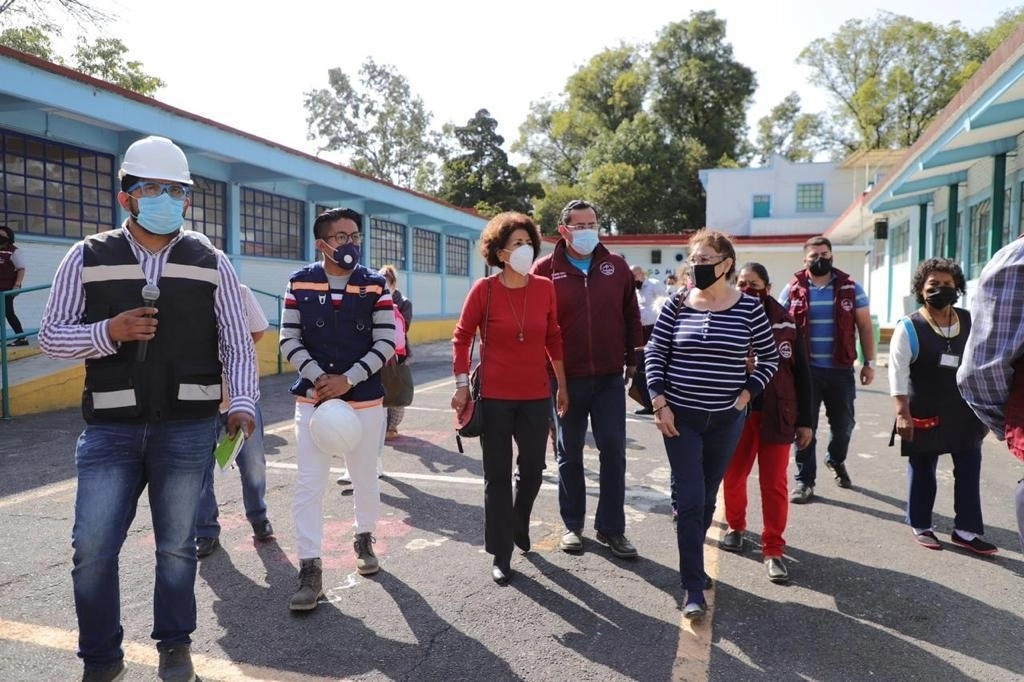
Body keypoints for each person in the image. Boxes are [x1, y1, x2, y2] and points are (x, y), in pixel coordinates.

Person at [37, 135, 259, 682]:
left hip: (187, 427)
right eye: (153, 188)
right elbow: (50, 335)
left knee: (178, 548)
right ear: (127, 197)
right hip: (110, 428)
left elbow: (237, 342)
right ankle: (101, 659)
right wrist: (107, 331)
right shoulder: (87, 256)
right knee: (92, 548)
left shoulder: (210, 261)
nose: (167, 199)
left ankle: (175, 646)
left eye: (176, 190)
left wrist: (242, 403)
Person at [645, 229, 779, 619]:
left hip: (725, 421)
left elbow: (769, 358)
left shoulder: (749, 308)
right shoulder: (677, 304)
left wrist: (746, 395)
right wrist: (659, 402)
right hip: (680, 419)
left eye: (705, 260)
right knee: (689, 500)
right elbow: (655, 354)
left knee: (705, 498)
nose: (697, 266)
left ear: (726, 264)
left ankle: (693, 564)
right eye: (694, 260)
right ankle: (692, 586)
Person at [279, 207, 395, 611]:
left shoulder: (375, 284)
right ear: (321, 244)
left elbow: (386, 341)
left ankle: (364, 538)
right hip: (314, 401)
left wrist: (349, 379)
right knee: (309, 484)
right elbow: (288, 338)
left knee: (364, 476)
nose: (351, 243)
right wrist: (319, 379)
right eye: (341, 237)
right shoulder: (299, 281)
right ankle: (310, 569)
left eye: (355, 236)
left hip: (364, 400)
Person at [452, 212, 568, 585]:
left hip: (535, 395)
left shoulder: (545, 288)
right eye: (517, 243)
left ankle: (519, 519)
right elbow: (462, 336)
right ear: (500, 253)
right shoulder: (484, 290)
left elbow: (553, 336)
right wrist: (461, 384)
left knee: (533, 471)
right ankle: (501, 553)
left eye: (528, 242)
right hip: (495, 398)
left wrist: (562, 385)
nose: (526, 249)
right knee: (497, 476)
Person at [532, 199, 643, 560]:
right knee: (569, 451)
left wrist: (633, 359)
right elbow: (535, 324)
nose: (587, 231)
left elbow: (631, 315)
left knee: (613, 450)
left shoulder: (617, 266)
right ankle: (572, 525)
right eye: (580, 225)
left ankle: (611, 528)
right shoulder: (544, 270)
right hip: (564, 379)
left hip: (609, 377)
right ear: (563, 230)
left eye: (592, 224)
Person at [889, 259, 995, 554]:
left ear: (957, 287)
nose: (941, 289)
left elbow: (983, 362)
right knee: (923, 469)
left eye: (947, 284)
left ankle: (966, 531)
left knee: (969, 468)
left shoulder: (970, 321)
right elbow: (897, 372)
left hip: (966, 412)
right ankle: (921, 525)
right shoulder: (909, 326)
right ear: (921, 290)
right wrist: (902, 413)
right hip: (924, 410)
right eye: (933, 285)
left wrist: (988, 409)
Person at [720, 263, 813, 583]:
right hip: (737, 414)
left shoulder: (787, 323)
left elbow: (803, 376)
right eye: (741, 283)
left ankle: (773, 549)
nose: (747, 289)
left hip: (777, 415)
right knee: (733, 476)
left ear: (768, 288)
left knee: (774, 484)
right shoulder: (725, 314)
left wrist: (806, 422)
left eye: (754, 284)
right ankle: (735, 526)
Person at [779, 236, 875, 503]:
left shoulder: (851, 288)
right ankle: (804, 481)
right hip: (805, 372)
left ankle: (835, 459)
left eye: (825, 254)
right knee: (804, 426)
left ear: (832, 256)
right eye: (814, 256)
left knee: (844, 425)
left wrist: (869, 363)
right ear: (805, 260)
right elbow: (779, 325)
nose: (820, 259)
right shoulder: (792, 289)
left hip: (839, 370)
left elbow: (865, 327)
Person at [195, 283, 274, 558]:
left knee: (253, 464)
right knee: (199, 470)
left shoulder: (240, 292)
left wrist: (231, 350)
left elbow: (258, 329)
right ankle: (205, 531)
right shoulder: (184, 289)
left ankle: (259, 516)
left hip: (240, 398)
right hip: (197, 401)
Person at [957, 238, 1024, 554]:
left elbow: (980, 374)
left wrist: (1011, 426)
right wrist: (1012, 425)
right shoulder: (1017, 261)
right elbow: (981, 373)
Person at [381, 264, 412, 439]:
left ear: (393, 283)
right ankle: (382, 426)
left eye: (386, 282)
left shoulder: (404, 303)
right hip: (379, 353)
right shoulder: (375, 300)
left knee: (397, 390)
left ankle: (392, 426)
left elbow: (404, 327)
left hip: (399, 355)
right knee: (381, 389)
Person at [630, 265, 664, 415]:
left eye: (634, 275)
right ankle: (646, 403)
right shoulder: (634, 290)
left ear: (641, 273)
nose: (633, 279)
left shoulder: (654, 284)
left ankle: (659, 402)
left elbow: (664, 305)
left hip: (654, 329)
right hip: (640, 331)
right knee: (639, 367)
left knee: (653, 365)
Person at [0, 225, 28, 346]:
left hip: (8, 288)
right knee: (6, 312)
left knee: (8, 312)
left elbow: (21, 269)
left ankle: (22, 338)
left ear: (8, 237)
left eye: (2, 235)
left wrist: (17, 285)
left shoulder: (14, 251)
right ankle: (21, 337)